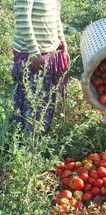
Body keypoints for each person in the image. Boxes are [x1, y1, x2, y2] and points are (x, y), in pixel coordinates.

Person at [12, 0, 70, 132]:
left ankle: (40, 136)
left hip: (49, 54)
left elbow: (56, 18)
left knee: (46, 99)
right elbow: (23, 19)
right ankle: (24, 142)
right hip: (32, 57)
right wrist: (34, 52)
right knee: (29, 101)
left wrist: (62, 41)